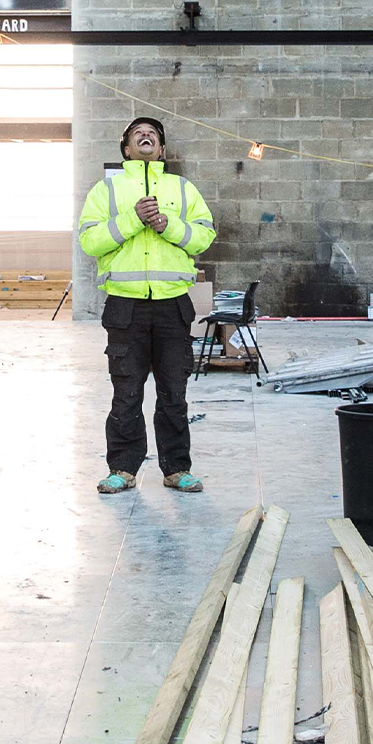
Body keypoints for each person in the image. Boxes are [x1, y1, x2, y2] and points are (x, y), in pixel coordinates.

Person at [78, 117, 217, 495]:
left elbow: (203, 236)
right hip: (126, 308)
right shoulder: (106, 192)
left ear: (162, 149)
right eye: (138, 133)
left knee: (174, 392)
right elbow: (90, 241)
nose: (146, 136)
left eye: (152, 134)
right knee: (126, 393)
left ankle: (176, 470)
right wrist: (132, 218)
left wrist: (165, 224)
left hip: (172, 306)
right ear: (126, 148)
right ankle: (122, 469)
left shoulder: (182, 189)